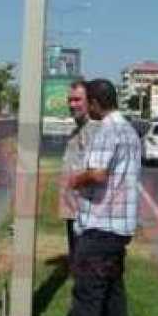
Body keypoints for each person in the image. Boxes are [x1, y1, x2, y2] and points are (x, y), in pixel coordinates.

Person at [66, 79, 142, 316]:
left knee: (88, 298)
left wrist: (76, 179)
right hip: (119, 229)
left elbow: (97, 173)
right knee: (113, 296)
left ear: (96, 104)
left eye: (88, 102)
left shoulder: (107, 131)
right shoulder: (130, 132)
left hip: (100, 227)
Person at [60, 80, 100, 258]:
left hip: (87, 215)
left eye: (77, 100)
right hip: (74, 212)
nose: (72, 104)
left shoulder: (94, 130)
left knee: (87, 272)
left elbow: (98, 173)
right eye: (70, 100)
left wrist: (75, 181)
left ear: (90, 101)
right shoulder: (78, 130)